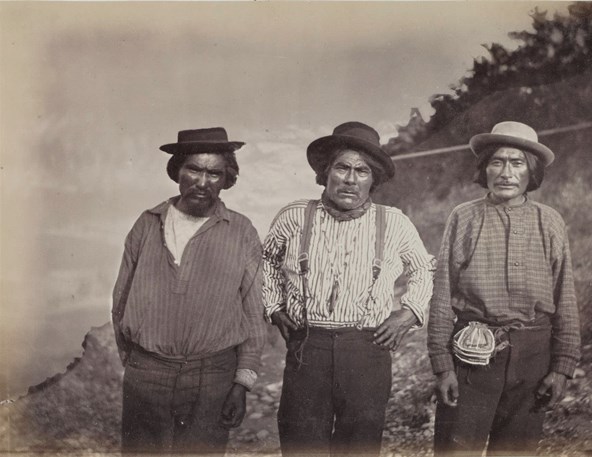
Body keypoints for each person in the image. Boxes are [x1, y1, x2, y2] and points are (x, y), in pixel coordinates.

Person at [262, 121, 435, 456]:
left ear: (374, 179)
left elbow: (423, 268)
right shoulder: (295, 215)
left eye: (363, 171)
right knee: (301, 443)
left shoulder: (395, 222)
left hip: (367, 349)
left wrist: (409, 312)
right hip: (307, 346)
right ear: (326, 172)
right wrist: (273, 307)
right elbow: (265, 261)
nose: (351, 179)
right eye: (342, 167)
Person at [427, 121, 581, 455]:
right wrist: (443, 367)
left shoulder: (549, 221)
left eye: (517, 162)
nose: (506, 172)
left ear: (532, 172)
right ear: (484, 169)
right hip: (471, 357)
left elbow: (565, 297)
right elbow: (441, 296)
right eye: (497, 161)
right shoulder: (464, 217)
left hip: (533, 359)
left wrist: (562, 367)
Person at [111, 127, 265, 454]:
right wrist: (139, 362)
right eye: (193, 169)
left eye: (214, 173)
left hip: (213, 377)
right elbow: (121, 300)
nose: (202, 181)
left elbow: (253, 313)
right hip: (147, 373)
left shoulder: (241, 231)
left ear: (227, 179)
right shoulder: (147, 223)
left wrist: (240, 383)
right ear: (177, 171)